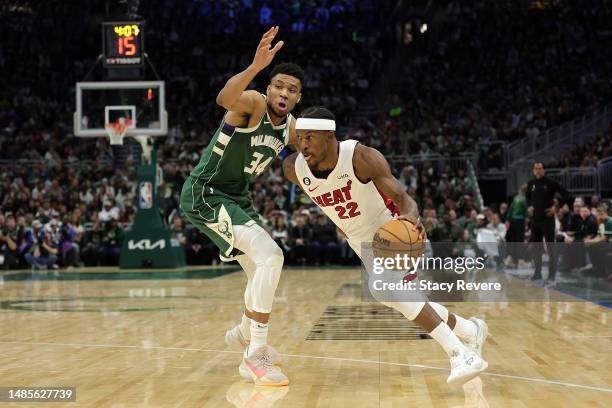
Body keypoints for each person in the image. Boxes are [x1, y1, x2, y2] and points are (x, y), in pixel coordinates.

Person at [282, 106, 488, 386]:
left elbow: (404, 198)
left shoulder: (360, 157)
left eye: (310, 137)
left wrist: (411, 219)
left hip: (395, 236)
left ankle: (459, 353)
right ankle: (469, 329)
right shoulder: (293, 169)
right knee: (400, 300)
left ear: (329, 135)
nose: (303, 144)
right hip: (361, 244)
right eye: (300, 137)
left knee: (385, 287)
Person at [180, 27, 302, 386]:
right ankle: (255, 355)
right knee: (272, 256)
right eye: (278, 85)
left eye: (291, 90)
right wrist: (254, 66)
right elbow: (223, 98)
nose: (283, 92)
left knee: (258, 270)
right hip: (206, 191)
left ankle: (246, 332)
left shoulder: (291, 128)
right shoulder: (252, 102)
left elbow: (312, 160)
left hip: (237, 198)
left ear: (297, 99)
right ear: (269, 88)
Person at [526, 162, 569, 282]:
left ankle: (551, 275)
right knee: (536, 248)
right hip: (535, 220)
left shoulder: (550, 183)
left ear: (544, 170)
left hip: (547, 219)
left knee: (550, 248)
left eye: (540, 168)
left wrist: (556, 208)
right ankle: (537, 273)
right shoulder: (531, 183)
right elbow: (527, 197)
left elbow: (566, 194)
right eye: (536, 169)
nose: (538, 171)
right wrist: (529, 206)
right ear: (533, 170)